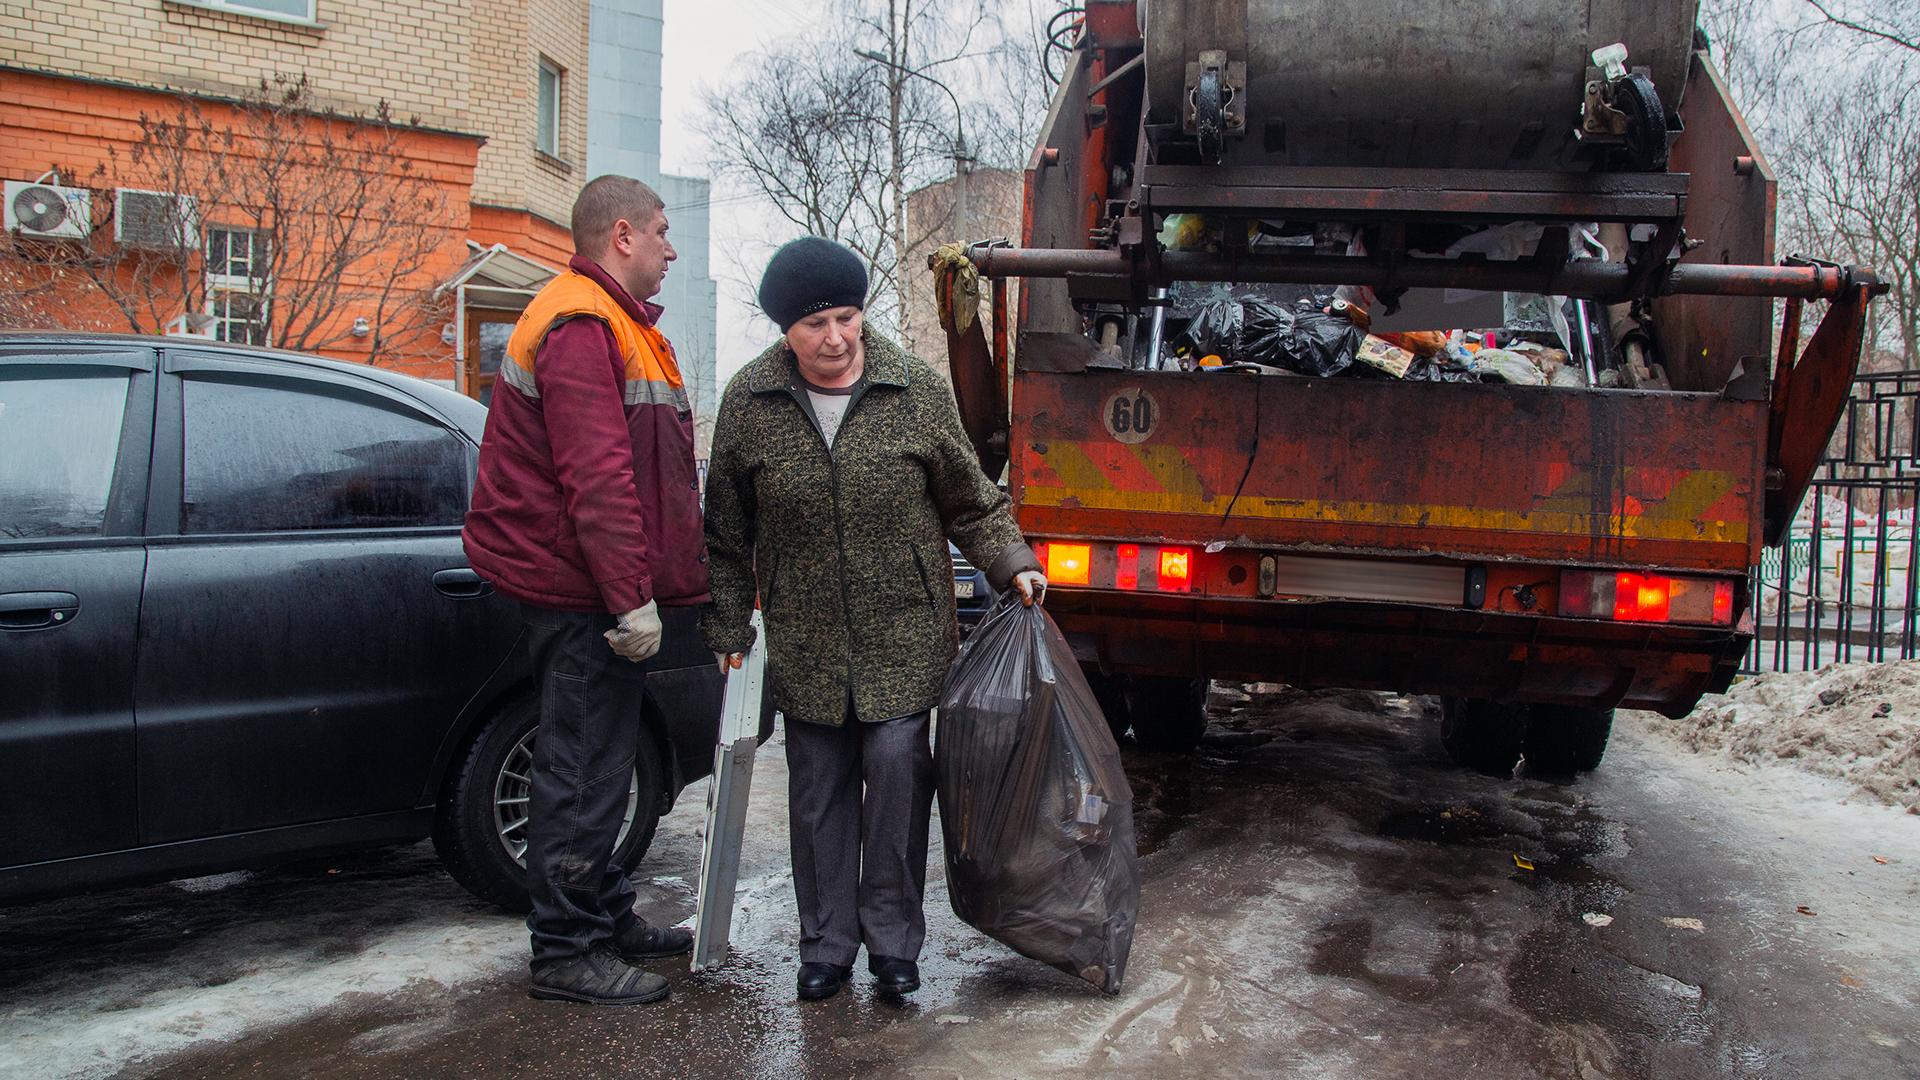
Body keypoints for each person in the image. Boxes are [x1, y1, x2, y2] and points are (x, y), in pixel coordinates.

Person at [701, 236, 1047, 1002]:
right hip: (807, 640)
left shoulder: (912, 388)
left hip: (904, 633)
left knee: (896, 781)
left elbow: (970, 498)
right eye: (814, 324)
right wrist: (729, 627)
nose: (834, 338)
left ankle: (894, 944)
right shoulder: (749, 403)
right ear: (785, 330)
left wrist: (1012, 561)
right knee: (818, 792)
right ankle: (826, 943)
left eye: (847, 318)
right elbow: (725, 532)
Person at [463, 175, 708, 1006]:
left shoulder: (614, 322)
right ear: (623, 236)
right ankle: (566, 951)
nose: (673, 250)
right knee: (578, 768)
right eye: (664, 233)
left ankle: (601, 914)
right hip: (584, 597)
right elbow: (597, 477)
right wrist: (629, 597)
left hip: (593, 588)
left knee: (603, 765)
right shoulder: (579, 322)